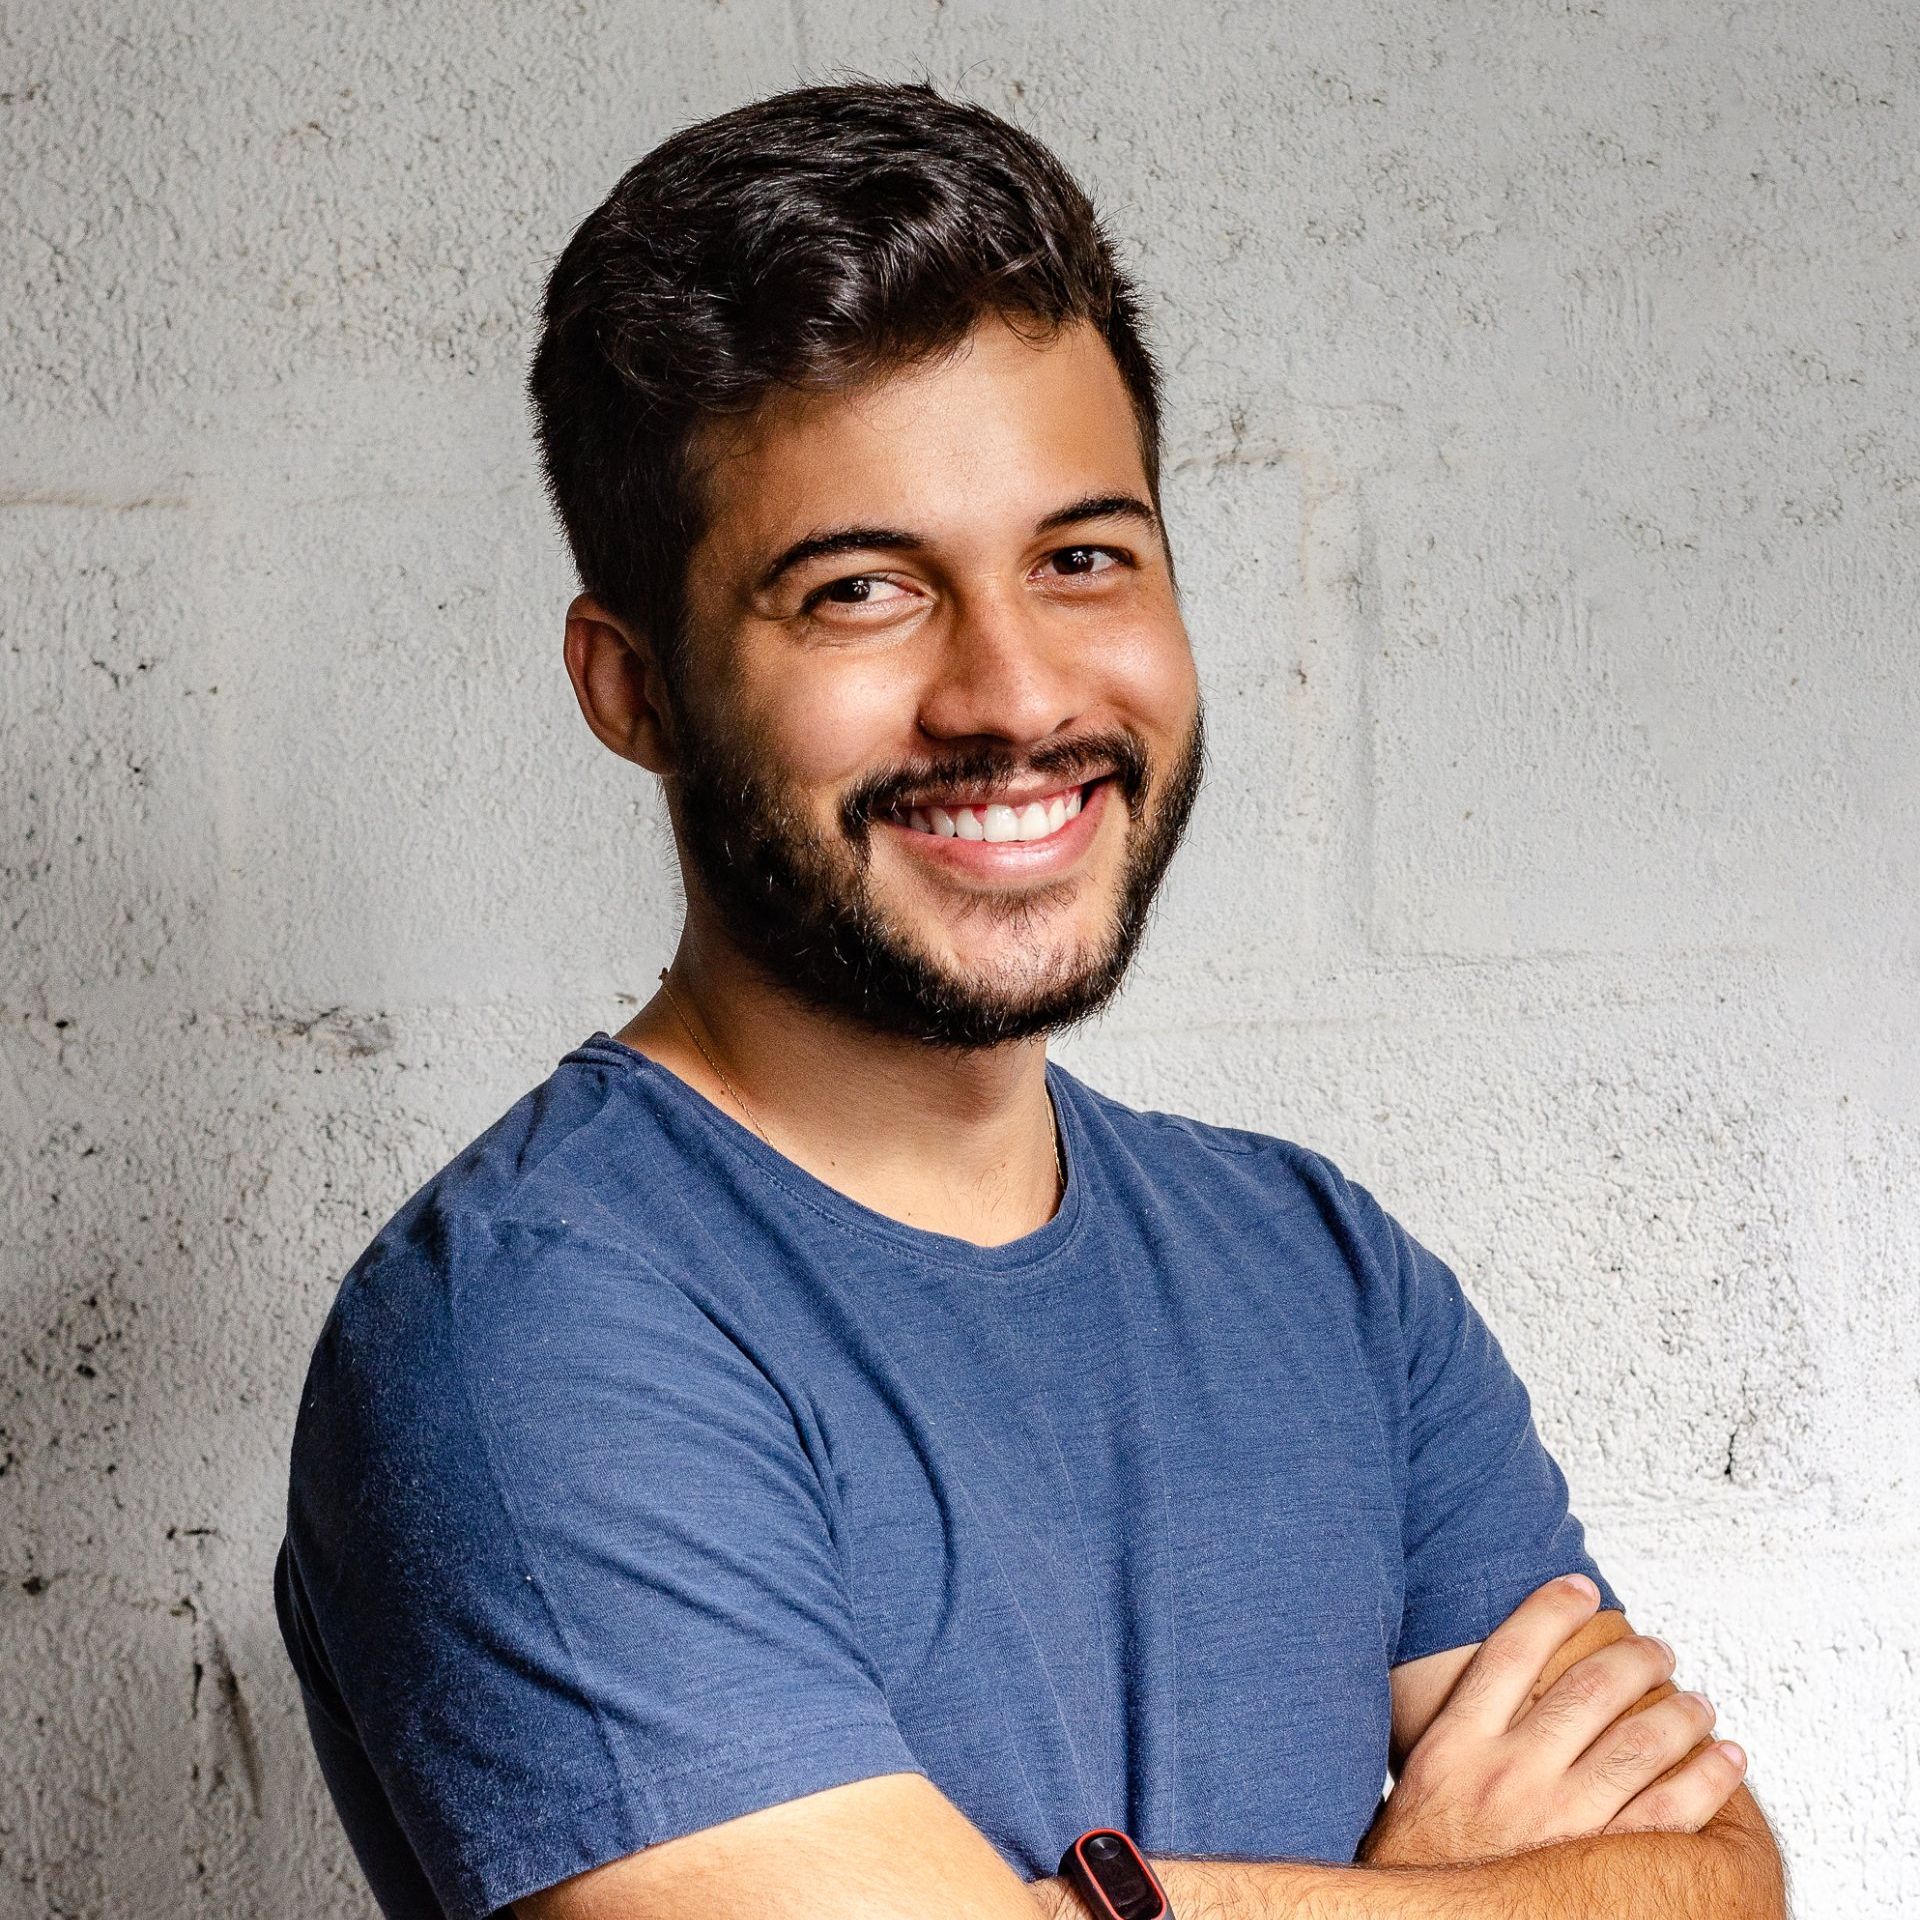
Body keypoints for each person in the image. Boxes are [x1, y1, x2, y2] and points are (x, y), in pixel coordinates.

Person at [274, 81, 1786, 1920]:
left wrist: (1121, 1909)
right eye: (860, 591)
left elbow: (1719, 1881)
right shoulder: (527, 1333)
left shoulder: (1322, 1267)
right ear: (633, 686)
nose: (1012, 692)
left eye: (1083, 558)